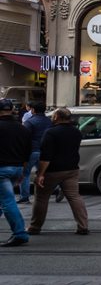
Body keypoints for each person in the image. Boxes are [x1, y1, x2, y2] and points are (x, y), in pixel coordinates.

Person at [27, 107, 88, 236]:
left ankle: (35, 227)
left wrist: (40, 174)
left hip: (53, 170)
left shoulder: (51, 133)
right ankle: (83, 226)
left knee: (41, 198)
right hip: (72, 169)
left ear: (56, 117)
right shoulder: (76, 132)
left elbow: (45, 156)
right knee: (74, 196)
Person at [0, 98, 31, 246]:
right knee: (3, 200)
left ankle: (19, 233)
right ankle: (19, 233)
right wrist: (22, 171)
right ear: (12, 110)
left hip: (1, 169)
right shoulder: (22, 128)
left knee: (7, 201)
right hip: (16, 167)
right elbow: (27, 153)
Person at [18, 101, 51, 203]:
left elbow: (24, 137)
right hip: (45, 151)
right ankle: (57, 188)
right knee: (43, 172)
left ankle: (25, 196)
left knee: (25, 173)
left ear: (33, 110)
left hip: (32, 150)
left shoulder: (30, 122)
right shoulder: (49, 121)